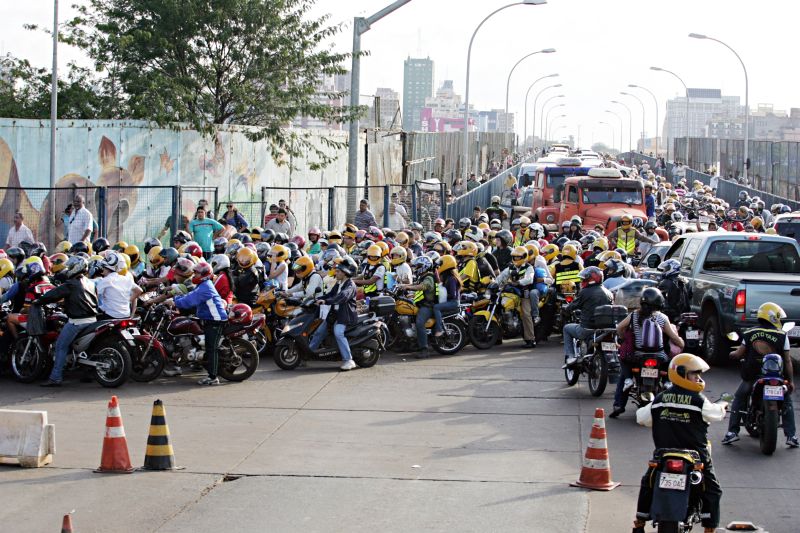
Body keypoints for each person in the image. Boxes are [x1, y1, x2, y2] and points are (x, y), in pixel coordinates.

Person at [632, 353, 727, 533]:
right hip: (696, 457)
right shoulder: (699, 400)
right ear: (681, 374)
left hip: (663, 455)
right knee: (713, 489)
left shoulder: (660, 400)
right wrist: (722, 405)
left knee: (648, 484)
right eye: (694, 374)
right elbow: (716, 414)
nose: (698, 378)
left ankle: (639, 523)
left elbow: (640, 418)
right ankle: (709, 528)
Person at [722, 302, 797, 448]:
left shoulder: (750, 333)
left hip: (753, 376)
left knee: (739, 397)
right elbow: (787, 361)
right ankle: (791, 436)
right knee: (787, 401)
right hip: (776, 377)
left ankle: (732, 432)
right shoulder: (782, 335)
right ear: (773, 318)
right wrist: (791, 381)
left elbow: (738, 353)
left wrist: (731, 354)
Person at [611, 288, 684, 418]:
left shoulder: (633, 315)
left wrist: (623, 337)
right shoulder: (662, 317)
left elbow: (619, 328)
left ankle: (619, 404)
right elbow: (673, 337)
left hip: (637, 356)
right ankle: (667, 381)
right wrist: (681, 343)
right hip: (659, 356)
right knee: (669, 362)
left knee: (624, 370)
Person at [38, 256, 99, 387]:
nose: (68, 269)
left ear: (76, 268)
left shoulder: (71, 283)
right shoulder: (90, 282)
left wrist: (38, 301)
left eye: (70, 267)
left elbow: (53, 294)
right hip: (92, 320)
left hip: (77, 321)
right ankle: (86, 373)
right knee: (86, 348)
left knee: (60, 345)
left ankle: (55, 377)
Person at [170, 261, 228, 385]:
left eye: (196, 273)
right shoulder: (202, 285)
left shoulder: (205, 286)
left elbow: (190, 301)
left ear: (204, 274)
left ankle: (213, 377)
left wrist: (175, 302)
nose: (193, 275)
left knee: (211, 348)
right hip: (207, 318)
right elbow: (190, 295)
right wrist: (175, 299)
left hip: (215, 320)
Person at [309, 256, 359, 371]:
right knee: (319, 332)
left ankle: (348, 360)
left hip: (345, 316)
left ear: (345, 273)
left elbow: (342, 297)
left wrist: (326, 301)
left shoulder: (350, 285)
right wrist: (316, 299)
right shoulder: (339, 283)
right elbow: (330, 295)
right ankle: (308, 354)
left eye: (338, 271)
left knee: (338, 333)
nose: (335, 273)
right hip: (334, 315)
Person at [563, 267, 612, 367]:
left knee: (566, 328)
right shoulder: (609, 293)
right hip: (604, 329)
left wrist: (565, 309)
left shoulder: (585, 292)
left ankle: (571, 356)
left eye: (584, 279)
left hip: (587, 329)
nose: (582, 281)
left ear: (590, 280)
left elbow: (572, 306)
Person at [397, 256, 438, 359]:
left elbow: (423, 286)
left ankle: (424, 349)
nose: (416, 268)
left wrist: (408, 287)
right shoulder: (422, 276)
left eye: (418, 266)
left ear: (425, 266)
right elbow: (416, 285)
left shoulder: (429, 277)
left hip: (428, 306)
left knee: (420, 323)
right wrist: (403, 286)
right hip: (422, 303)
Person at [496, 247, 536, 348]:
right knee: (498, 308)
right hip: (510, 293)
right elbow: (501, 277)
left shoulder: (528, 267)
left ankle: (531, 339)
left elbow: (529, 279)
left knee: (526, 314)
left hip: (523, 295)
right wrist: (493, 283)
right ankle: (497, 336)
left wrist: (518, 283)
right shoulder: (510, 267)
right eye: (515, 257)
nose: (516, 259)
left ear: (524, 257)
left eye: (518, 257)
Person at [95, 252, 142, 319]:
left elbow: (94, 295)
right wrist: (128, 300)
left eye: (103, 267)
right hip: (126, 315)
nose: (102, 269)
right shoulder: (126, 279)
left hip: (110, 316)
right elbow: (139, 291)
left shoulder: (105, 280)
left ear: (106, 267)